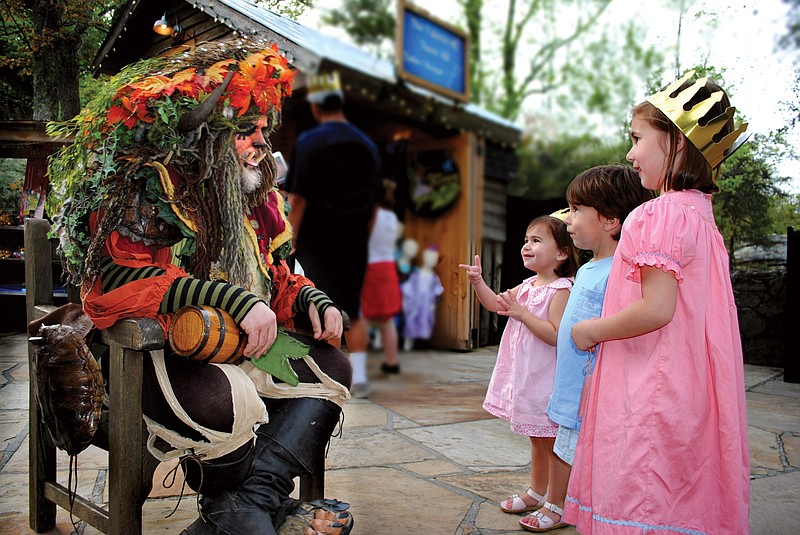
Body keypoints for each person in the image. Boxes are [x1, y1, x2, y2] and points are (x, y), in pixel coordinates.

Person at [47, 38, 354, 535]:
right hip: (155, 353)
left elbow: (273, 274)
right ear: (206, 135)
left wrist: (308, 297)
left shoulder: (253, 196)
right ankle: (255, 510)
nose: (261, 143)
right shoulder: (149, 187)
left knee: (331, 363)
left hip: (239, 346)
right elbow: (116, 281)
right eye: (244, 132)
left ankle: (240, 507)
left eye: (262, 130)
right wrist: (228, 298)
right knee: (226, 399)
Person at [566, 71, 750, 534]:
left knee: (641, 485)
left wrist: (589, 331)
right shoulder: (701, 218)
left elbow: (656, 309)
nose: (629, 153)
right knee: (676, 488)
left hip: (651, 381)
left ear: (678, 144)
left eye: (637, 138)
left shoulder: (659, 213)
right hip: (690, 381)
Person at [518, 166, 651, 532]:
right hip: (569, 376)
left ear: (610, 220)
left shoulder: (621, 270)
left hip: (590, 381)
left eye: (577, 210)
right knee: (565, 441)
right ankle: (559, 502)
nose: (569, 220)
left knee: (572, 444)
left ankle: (559, 506)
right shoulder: (590, 266)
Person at [459, 216, 578, 519]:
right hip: (526, 376)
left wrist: (523, 314)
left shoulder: (561, 289)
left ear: (562, 253)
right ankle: (536, 491)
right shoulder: (528, 285)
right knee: (537, 439)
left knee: (550, 442)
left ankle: (556, 500)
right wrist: (478, 282)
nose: (527, 246)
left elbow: (555, 335)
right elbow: (495, 305)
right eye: (526, 240)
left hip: (546, 379)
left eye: (537, 240)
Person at [284, 71, 381, 399]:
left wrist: (290, 239)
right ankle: (363, 377)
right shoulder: (367, 144)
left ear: (315, 106)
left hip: (317, 239)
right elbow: (375, 201)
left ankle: (332, 373)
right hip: (356, 239)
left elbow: (297, 198)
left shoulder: (309, 141)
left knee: (319, 304)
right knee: (357, 307)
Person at [362, 179, 403, 374]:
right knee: (387, 320)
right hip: (388, 267)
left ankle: (359, 369)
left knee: (361, 319)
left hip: (372, 267)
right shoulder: (391, 218)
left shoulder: (373, 215)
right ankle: (392, 361)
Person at [401, 245, 444, 350]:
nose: (431, 261)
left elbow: (437, 288)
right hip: (415, 300)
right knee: (412, 320)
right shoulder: (417, 274)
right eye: (429, 258)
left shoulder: (434, 277)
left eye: (434, 259)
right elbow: (410, 285)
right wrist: (406, 297)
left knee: (424, 320)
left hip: (427, 302)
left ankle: (420, 343)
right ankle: (408, 341)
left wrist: (435, 298)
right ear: (425, 258)